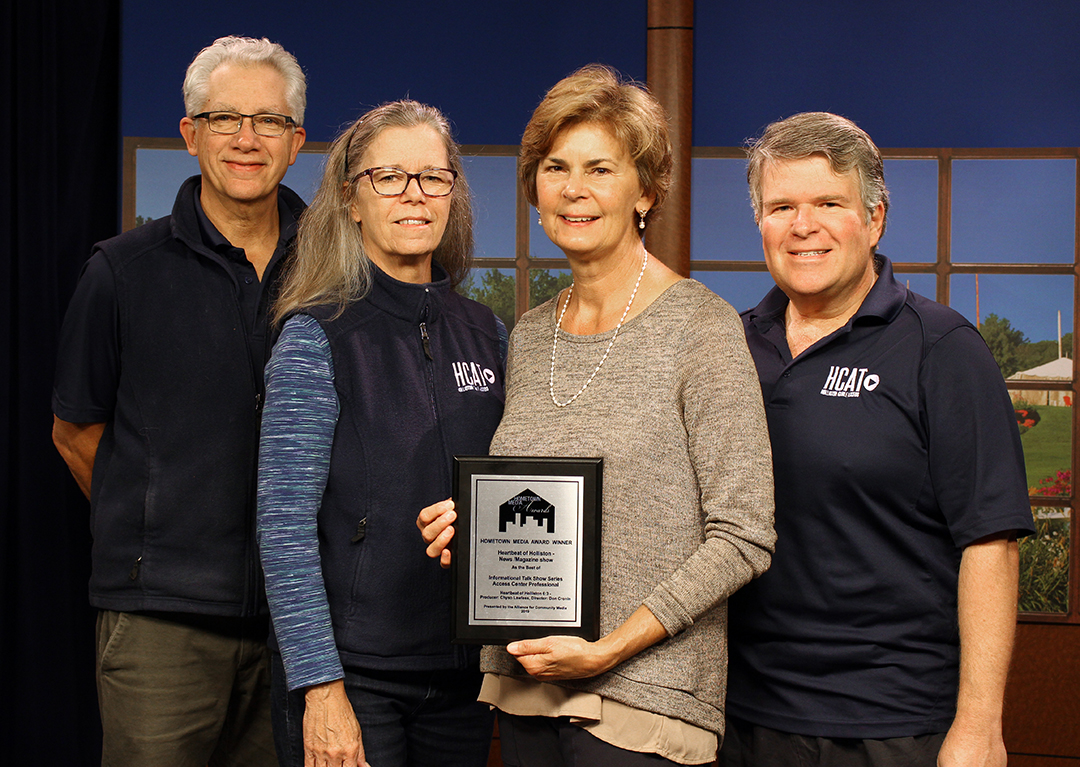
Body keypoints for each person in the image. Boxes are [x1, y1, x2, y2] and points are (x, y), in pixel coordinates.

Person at [418, 65, 775, 766]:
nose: (573, 189)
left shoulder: (700, 327)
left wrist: (611, 646)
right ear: (535, 190)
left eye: (599, 168)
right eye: (555, 167)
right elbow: (538, 500)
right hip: (527, 689)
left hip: (646, 702)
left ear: (645, 190)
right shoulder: (528, 334)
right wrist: (473, 520)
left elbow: (744, 532)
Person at [721, 112, 1036, 767]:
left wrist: (979, 726)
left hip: (895, 726)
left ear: (875, 218)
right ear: (760, 224)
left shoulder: (941, 348)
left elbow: (991, 543)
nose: (803, 225)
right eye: (781, 206)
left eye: (828, 203)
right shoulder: (728, 348)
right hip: (745, 718)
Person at [50, 35, 306, 765]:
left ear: (297, 142)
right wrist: (155, 524)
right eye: (226, 119)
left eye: (269, 122)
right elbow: (75, 431)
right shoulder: (122, 272)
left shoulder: (332, 270)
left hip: (298, 628)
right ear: (191, 134)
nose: (247, 140)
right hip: (160, 625)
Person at [257, 99, 506, 767]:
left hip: (464, 678)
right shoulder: (318, 335)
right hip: (357, 678)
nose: (414, 194)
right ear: (351, 199)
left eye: (433, 176)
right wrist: (321, 688)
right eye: (389, 176)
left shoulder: (490, 334)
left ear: (453, 193)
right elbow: (282, 529)